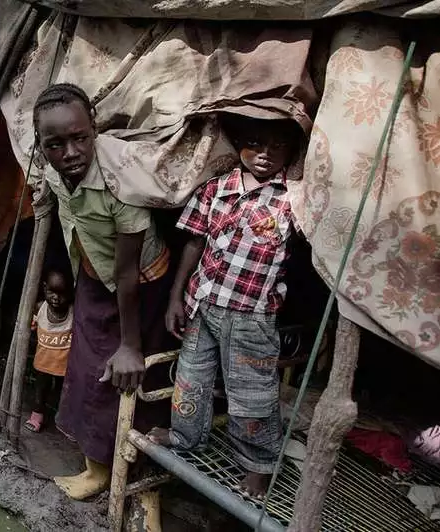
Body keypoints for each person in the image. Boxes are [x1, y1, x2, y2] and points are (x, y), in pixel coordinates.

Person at [31, 83, 176, 500]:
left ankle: (141, 487)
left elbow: (127, 273)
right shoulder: (56, 171)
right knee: (88, 378)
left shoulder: (120, 183)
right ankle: (96, 469)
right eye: (55, 144)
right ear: (41, 147)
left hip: (140, 288)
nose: (71, 153)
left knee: (132, 381)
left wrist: (130, 344)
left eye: (79, 138)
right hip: (93, 280)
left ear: (94, 129)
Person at [148, 116, 302, 499]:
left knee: (252, 395)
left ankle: (257, 465)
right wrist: (176, 297)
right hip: (203, 304)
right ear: (240, 144)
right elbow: (194, 244)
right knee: (190, 381)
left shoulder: (295, 199)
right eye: (256, 143)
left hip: (252, 316)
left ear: (292, 152)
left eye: (277, 147)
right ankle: (186, 437)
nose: (265, 154)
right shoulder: (217, 187)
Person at [24, 270, 74, 433]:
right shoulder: (39, 308)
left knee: (64, 392)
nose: (56, 298)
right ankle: (37, 415)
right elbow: (30, 329)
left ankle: (63, 419)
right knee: (41, 390)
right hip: (43, 363)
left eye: (62, 294)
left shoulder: (74, 312)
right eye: (52, 291)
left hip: (64, 365)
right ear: (44, 288)